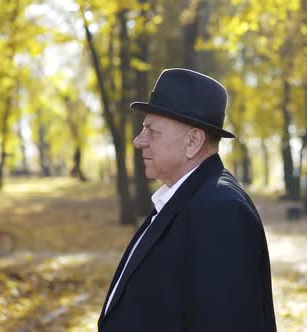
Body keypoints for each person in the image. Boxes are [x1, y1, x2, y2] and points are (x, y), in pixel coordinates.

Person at [98, 68, 276, 331]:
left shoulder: (220, 211)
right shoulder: (189, 197)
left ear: (193, 141)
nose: (138, 141)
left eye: (151, 130)